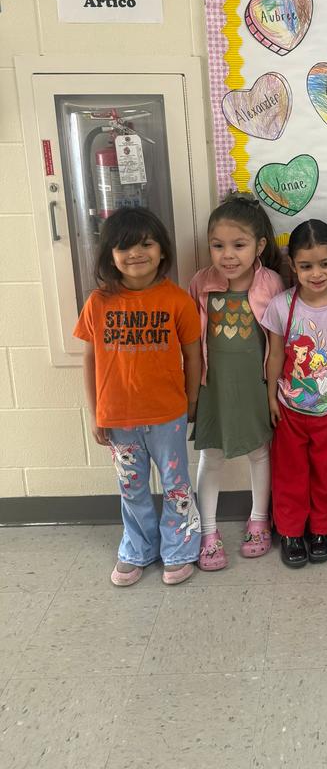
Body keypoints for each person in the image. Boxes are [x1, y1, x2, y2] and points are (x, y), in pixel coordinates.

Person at [74, 207, 201, 586]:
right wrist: (96, 412)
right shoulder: (98, 302)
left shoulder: (178, 301)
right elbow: (90, 359)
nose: (136, 253)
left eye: (146, 243)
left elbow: (194, 355)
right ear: (110, 255)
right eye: (124, 246)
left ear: (162, 250)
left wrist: (191, 402)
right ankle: (138, 548)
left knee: (176, 485)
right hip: (118, 419)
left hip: (168, 415)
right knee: (132, 488)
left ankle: (179, 549)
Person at [189, 194, 284, 571]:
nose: (228, 255)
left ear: (259, 245)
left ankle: (259, 519)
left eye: (239, 245)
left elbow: (279, 342)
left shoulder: (271, 283)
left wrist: (275, 390)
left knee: (259, 452)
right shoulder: (200, 283)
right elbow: (191, 344)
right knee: (210, 455)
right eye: (218, 246)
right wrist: (191, 391)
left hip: (255, 385)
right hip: (213, 387)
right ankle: (207, 531)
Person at [261, 220, 327, 568]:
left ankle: (321, 529)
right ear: (293, 266)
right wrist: (272, 396)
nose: (316, 273)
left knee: (326, 472)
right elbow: (274, 354)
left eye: (324, 264)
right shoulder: (280, 306)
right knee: (289, 473)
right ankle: (290, 529)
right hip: (289, 410)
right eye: (306, 266)